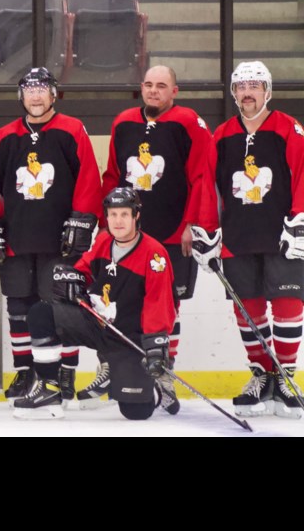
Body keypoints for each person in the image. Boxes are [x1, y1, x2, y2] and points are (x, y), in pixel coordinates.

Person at [91, 65, 217, 407]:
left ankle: (164, 369)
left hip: (174, 233)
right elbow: (113, 175)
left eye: (161, 86)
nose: (153, 91)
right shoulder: (123, 121)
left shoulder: (189, 122)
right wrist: (106, 224)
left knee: (168, 307)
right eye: (148, 85)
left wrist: (194, 223)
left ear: (174, 91)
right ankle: (117, 367)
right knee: (119, 301)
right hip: (128, 238)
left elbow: (202, 176)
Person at [0, 67, 103, 403]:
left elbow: (88, 179)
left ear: (53, 94)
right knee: (19, 307)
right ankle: (26, 372)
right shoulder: (5, 136)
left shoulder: (72, 130)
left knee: (63, 306)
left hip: (60, 240)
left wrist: (81, 220)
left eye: (41, 89)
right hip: (18, 237)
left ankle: (65, 372)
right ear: (22, 96)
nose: (35, 95)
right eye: (29, 89)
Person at [13, 187, 178, 421]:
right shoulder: (103, 243)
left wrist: (154, 344)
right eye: (112, 214)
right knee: (42, 314)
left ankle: (154, 387)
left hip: (129, 338)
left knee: (136, 412)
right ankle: (49, 389)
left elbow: (159, 303)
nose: (118, 221)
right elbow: (83, 271)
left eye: (124, 214)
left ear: (136, 216)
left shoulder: (154, 255)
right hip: (98, 325)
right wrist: (70, 280)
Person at [197, 61, 304, 418]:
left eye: (255, 85)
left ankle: (286, 375)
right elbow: (207, 186)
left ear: (267, 91)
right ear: (234, 93)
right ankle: (261, 375)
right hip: (238, 237)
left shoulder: (289, 128)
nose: (248, 92)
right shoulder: (222, 134)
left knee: (288, 306)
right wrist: (207, 229)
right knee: (249, 310)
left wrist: (300, 221)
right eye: (241, 86)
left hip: (282, 237)